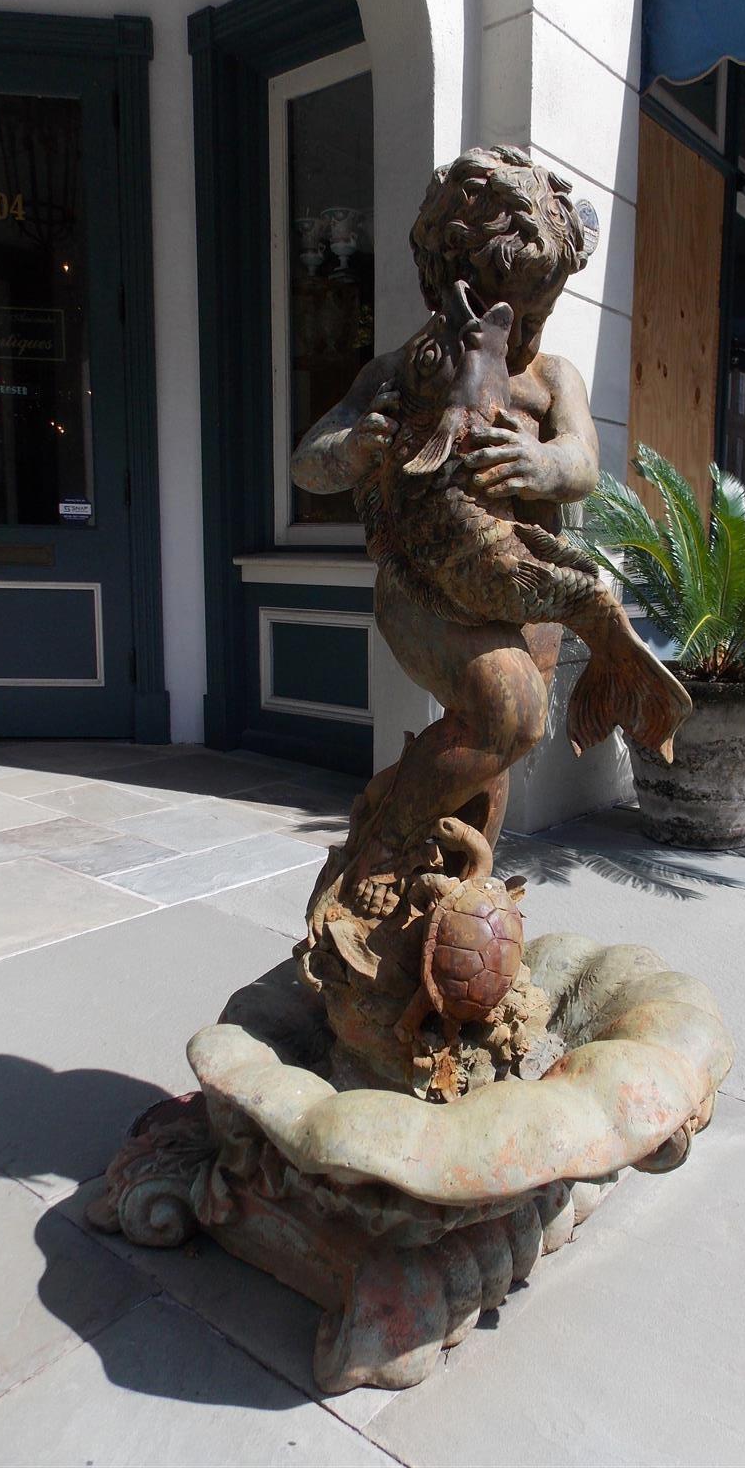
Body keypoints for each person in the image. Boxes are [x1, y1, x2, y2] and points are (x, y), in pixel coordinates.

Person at [291, 146, 601, 913]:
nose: (525, 327)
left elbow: (583, 462)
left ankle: (454, 891)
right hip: (423, 583)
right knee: (509, 714)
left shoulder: (552, 376)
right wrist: (357, 446)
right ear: (446, 287)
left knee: (491, 756)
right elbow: (308, 462)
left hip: (523, 586)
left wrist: (542, 464)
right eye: (510, 308)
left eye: (541, 309)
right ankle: (384, 852)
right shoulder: (402, 370)